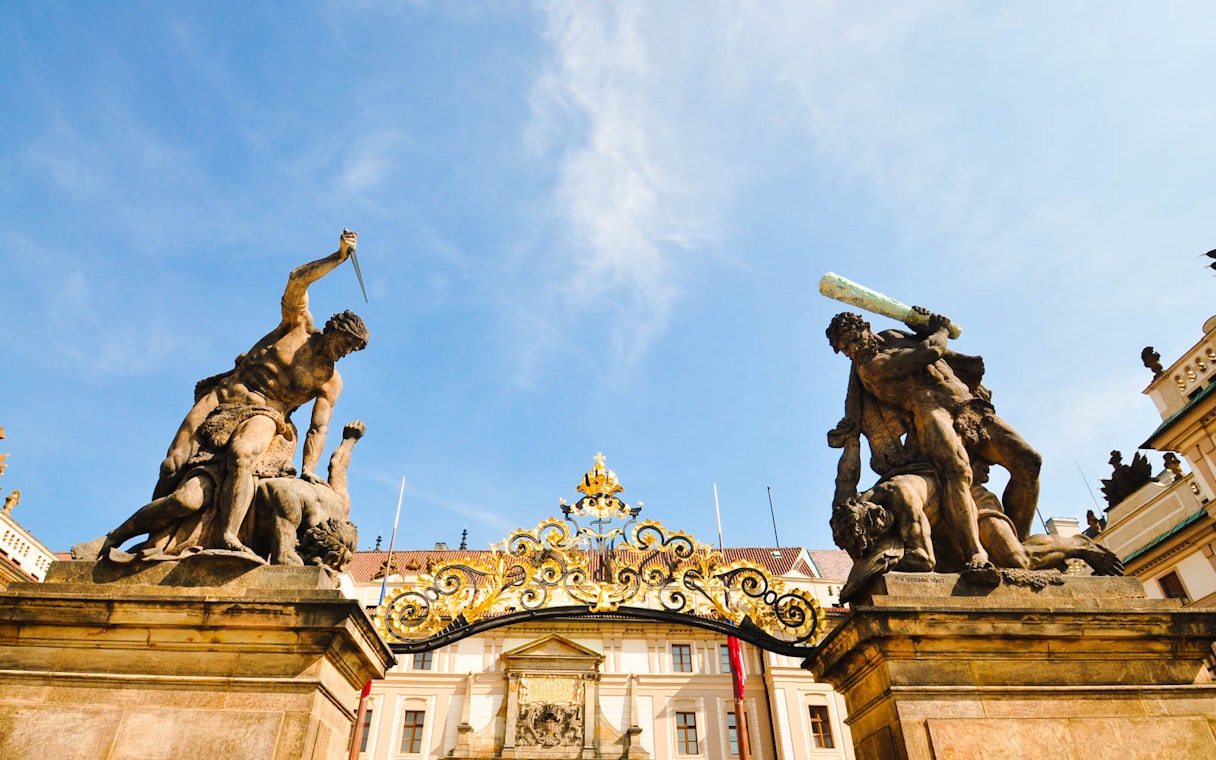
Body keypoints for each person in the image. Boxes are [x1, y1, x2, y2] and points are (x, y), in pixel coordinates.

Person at [155, 230, 368, 555]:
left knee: (241, 458)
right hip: (223, 396)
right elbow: (297, 279)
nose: (344, 353)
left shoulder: (330, 380)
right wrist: (338, 257)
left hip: (266, 417)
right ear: (333, 329)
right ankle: (151, 540)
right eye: (345, 344)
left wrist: (309, 468)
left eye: (351, 351)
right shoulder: (296, 326)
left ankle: (229, 536)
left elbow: (318, 427)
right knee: (172, 465)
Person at [826, 309, 1042, 583]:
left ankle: (1018, 541)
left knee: (1029, 463)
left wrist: (923, 324)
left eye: (854, 340)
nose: (853, 350)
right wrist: (939, 330)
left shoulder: (893, 336)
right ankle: (975, 554)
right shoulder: (870, 368)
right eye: (846, 349)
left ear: (865, 327)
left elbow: (928, 344)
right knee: (958, 473)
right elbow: (930, 352)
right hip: (931, 413)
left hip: (970, 407)